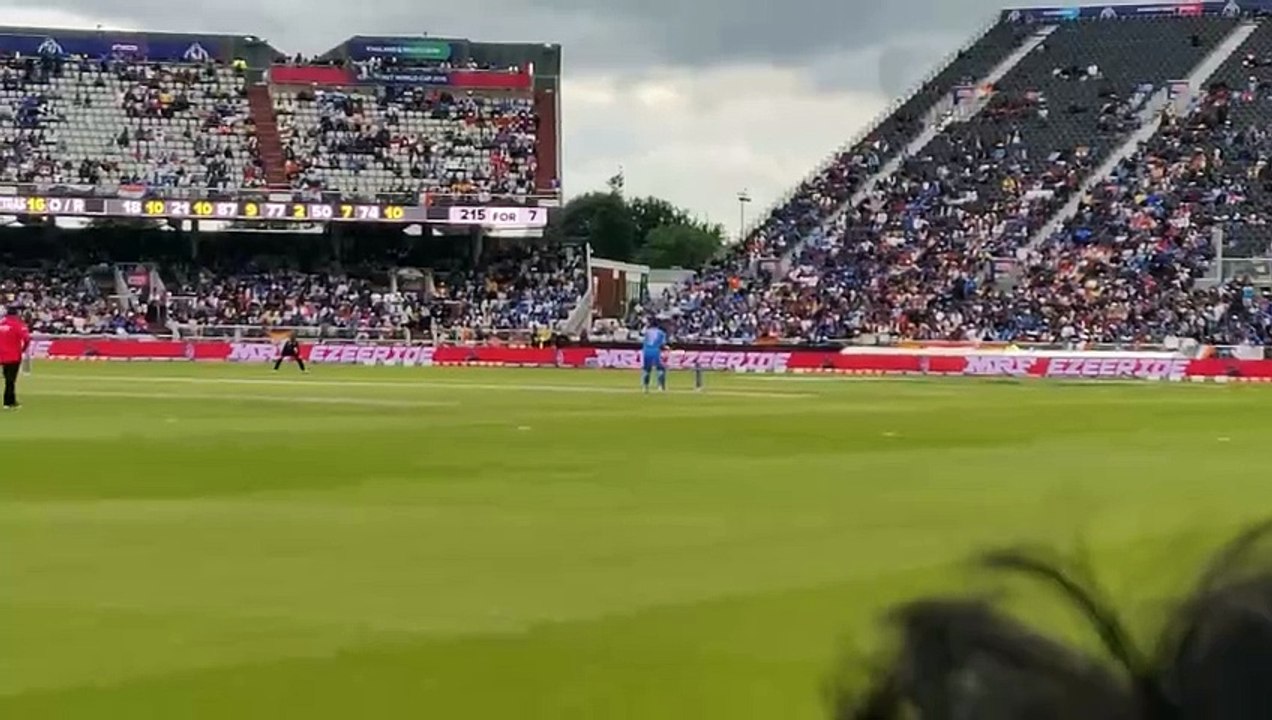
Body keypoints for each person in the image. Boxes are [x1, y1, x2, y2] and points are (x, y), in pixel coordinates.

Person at [0, 305, 31, 410]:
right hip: (13, 355)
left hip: (2, 355)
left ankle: (10, 400)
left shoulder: (1, 324)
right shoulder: (18, 325)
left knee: (7, 379)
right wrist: (23, 349)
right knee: (11, 380)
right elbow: (26, 339)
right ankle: (8, 402)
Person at [641, 319, 667, 393]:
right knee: (660, 369)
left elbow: (642, 338)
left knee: (647, 370)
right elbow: (663, 343)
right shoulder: (661, 333)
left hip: (646, 351)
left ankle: (645, 387)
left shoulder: (647, 331)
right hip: (656, 351)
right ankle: (660, 387)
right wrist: (666, 348)